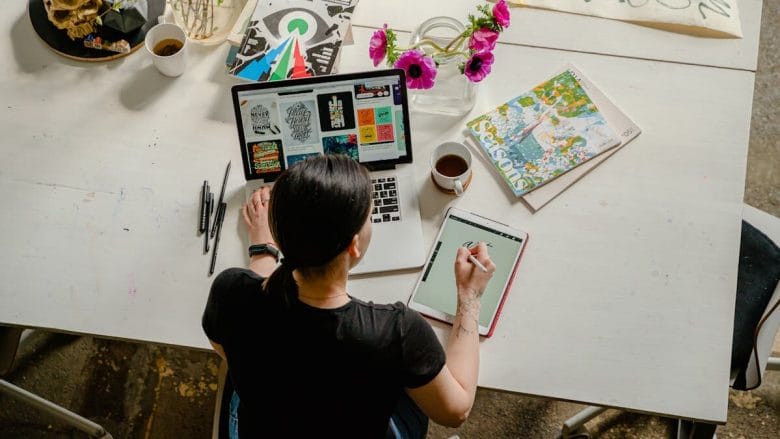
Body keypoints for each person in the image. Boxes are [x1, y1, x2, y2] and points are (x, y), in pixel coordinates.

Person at [202, 155, 495, 438]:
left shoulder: (229, 292)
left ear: (280, 235)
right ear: (353, 245)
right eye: (370, 217)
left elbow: (225, 346)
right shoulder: (396, 332)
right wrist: (469, 297)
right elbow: (455, 412)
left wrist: (262, 250)